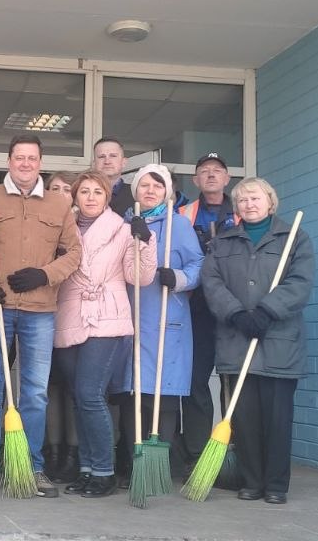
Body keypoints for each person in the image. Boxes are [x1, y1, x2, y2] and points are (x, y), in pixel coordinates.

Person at [0, 134, 82, 498]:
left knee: (35, 393)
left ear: (39, 163)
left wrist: (45, 275)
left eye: (32, 158)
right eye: (19, 157)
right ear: (9, 161)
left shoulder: (59, 204)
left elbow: (74, 253)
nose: (25, 164)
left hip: (40, 310)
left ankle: (32, 465)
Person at [201, 177, 314, 505]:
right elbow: (212, 283)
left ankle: (276, 484)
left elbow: (300, 282)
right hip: (238, 341)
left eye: (255, 198)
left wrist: (267, 310)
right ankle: (251, 481)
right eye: (242, 200)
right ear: (235, 207)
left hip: (279, 342)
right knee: (245, 419)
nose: (249, 204)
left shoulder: (294, 239)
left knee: (277, 420)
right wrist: (236, 314)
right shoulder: (222, 244)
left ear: (270, 201)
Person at [52, 171, 155, 498]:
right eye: (85, 191)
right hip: (70, 314)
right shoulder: (62, 228)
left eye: (98, 191)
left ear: (107, 197)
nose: (91, 197)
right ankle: (87, 468)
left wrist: (145, 242)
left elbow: (139, 277)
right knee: (79, 399)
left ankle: (105, 470)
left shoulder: (123, 230)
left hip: (107, 317)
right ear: (75, 196)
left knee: (90, 393)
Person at [124, 164, 203, 480]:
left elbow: (199, 264)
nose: (151, 190)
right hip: (132, 319)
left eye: (158, 185)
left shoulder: (178, 225)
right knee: (134, 395)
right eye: (144, 185)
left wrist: (180, 278)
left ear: (167, 191)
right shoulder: (125, 224)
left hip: (167, 320)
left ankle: (158, 467)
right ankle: (135, 465)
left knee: (164, 395)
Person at [176, 152, 240, 469]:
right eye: (204, 171)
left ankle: (236, 455)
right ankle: (197, 456)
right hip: (196, 309)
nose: (211, 175)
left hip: (235, 310)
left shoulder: (243, 211)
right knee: (195, 382)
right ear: (196, 180)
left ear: (228, 178)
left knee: (235, 383)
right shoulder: (184, 213)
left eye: (218, 170)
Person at [44, 169, 81, 483]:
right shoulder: (43, 222)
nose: (58, 193)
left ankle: (72, 452)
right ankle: (52, 452)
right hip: (43, 311)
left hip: (75, 315)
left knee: (73, 389)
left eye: (65, 188)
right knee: (48, 388)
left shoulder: (81, 226)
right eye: (53, 188)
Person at [92, 138, 134, 216]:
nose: (107, 161)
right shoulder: (82, 194)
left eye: (113, 156)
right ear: (94, 164)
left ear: (124, 162)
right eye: (101, 157)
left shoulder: (136, 195)